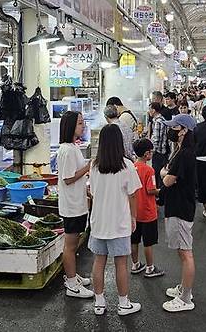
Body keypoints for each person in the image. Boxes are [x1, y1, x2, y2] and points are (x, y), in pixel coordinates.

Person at [88, 123, 143, 316]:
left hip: (98, 222)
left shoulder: (94, 166)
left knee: (99, 262)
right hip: (119, 223)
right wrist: (134, 217)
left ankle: (99, 303)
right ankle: (123, 303)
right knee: (121, 264)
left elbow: (92, 193)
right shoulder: (127, 165)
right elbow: (133, 195)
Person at [160, 114, 197, 312]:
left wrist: (164, 173)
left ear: (183, 130)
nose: (171, 131)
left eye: (174, 127)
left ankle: (186, 298)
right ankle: (184, 288)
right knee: (182, 251)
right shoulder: (181, 150)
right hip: (178, 205)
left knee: (185, 253)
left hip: (182, 207)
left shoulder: (185, 154)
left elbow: (167, 180)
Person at [56, 111, 93, 299]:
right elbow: (69, 178)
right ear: (70, 126)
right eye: (80, 123)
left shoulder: (72, 147)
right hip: (71, 206)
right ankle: (71, 284)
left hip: (77, 203)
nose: (83, 126)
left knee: (74, 243)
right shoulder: (67, 150)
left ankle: (73, 276)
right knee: (70, 246)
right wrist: (88, 167)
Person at [130, 138, 165, 278]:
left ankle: (135, 264)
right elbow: (151, 190)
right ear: (146, 154)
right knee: (148, 242)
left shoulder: (131, 167)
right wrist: (161, 191)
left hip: (134, 211)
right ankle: (150, 268)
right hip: (148, 212)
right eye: (151, 151)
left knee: (134, 240)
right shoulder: (149, 170)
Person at [148, 101, 169, 189]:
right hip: (162, 152)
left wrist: (151, 151)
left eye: (150, 109)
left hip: (159, 152)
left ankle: (159, 195)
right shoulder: (161, 119)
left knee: (157, 174)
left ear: (153, 110)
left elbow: (156, 139)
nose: (148, 111)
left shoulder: (158, 121)